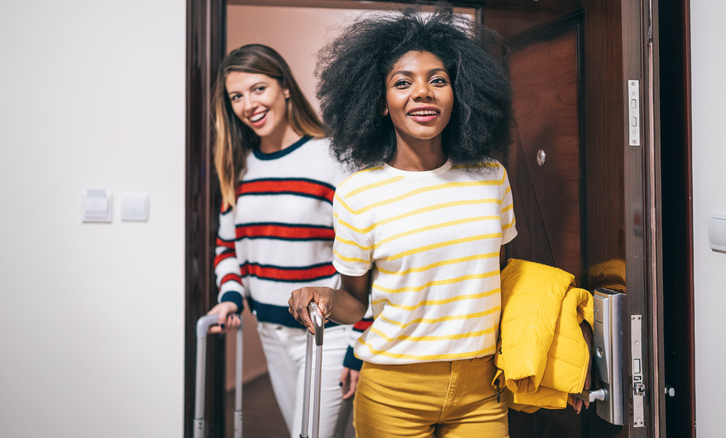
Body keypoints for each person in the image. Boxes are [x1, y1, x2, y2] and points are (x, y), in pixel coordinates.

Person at [289, 8, 515, 438]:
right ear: (380, 102)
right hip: (393, 390)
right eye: (402, 82)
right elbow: (356, 301)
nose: (422, 93)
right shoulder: (358, 193)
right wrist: (322, 295)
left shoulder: (491, 177)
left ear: (458, 93)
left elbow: (497, 277)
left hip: (482, 388)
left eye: (438, 80)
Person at [205, 43, 360, 438]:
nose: (248, 104)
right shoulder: (238, 167)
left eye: (258, 89)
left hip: (327, 330)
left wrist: (358, 345)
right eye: (236, 96)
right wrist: (230, 297)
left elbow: (366, 255)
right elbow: (227, 249)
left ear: (285, 87)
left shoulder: (332, 158)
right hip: (271, 333)